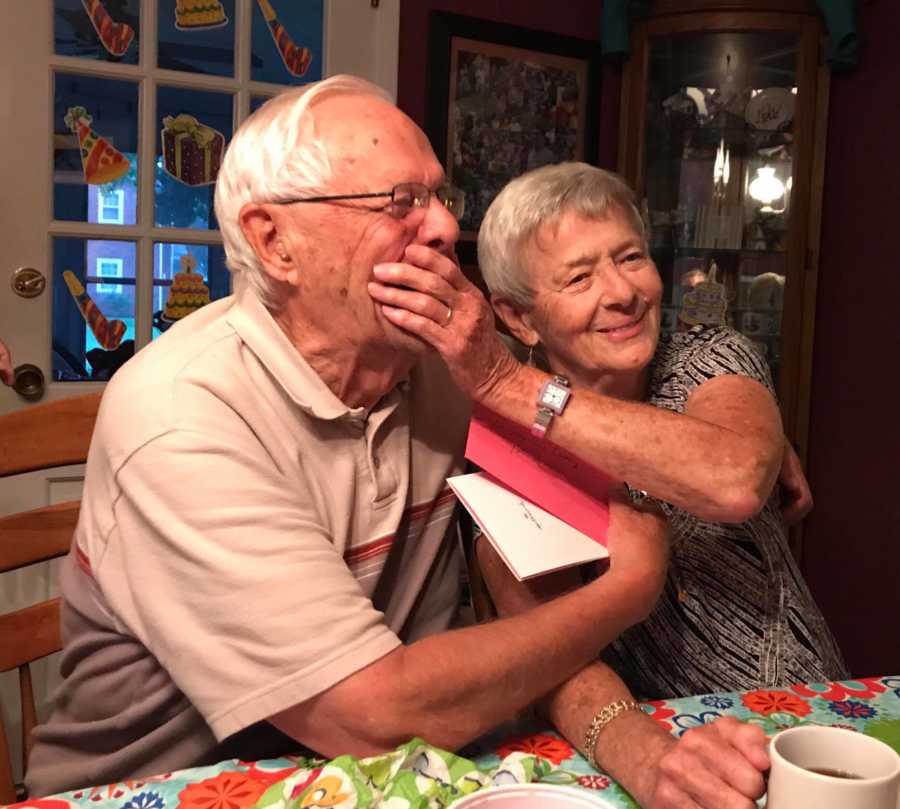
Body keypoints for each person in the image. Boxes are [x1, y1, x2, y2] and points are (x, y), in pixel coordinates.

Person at [26, 77, 761, 809]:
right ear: (274, 241)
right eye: (400, 202)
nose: (442, 227)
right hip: (166, 787)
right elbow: (373, 711)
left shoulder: (435, 367)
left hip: (396, 777)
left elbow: (596, 440)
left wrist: (738, 441)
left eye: (441, 198)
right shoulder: (183, 414)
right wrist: (626, 590)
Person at [367, 161, 846, 703]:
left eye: (631, 257)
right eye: (579, 277)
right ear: (518, 317)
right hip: (656, 730)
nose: (623, 292)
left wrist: (510, 384)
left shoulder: (710, 356)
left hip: (809, 708)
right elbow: (539, 640)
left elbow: (732, 480)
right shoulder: (503, 444)